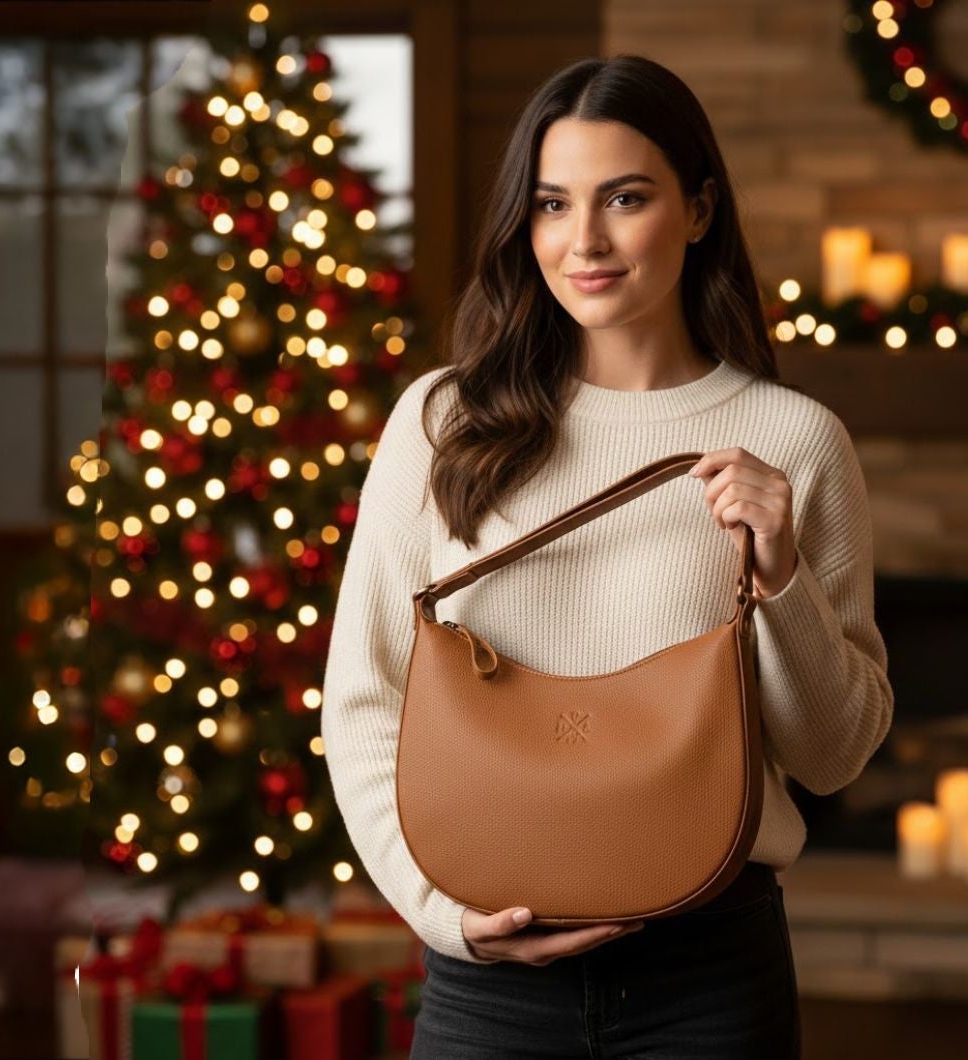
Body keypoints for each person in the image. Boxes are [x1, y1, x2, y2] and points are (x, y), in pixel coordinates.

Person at [320, 54, 893, 1059]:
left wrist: (780, 577)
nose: (581, 241)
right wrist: (441, 915)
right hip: (485, 980)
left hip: (706, 979)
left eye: (624, 198)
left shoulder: (793, 441)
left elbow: (831, 753)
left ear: (700, 208)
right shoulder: (440, 422)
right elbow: (364, 698)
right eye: (550, 204)